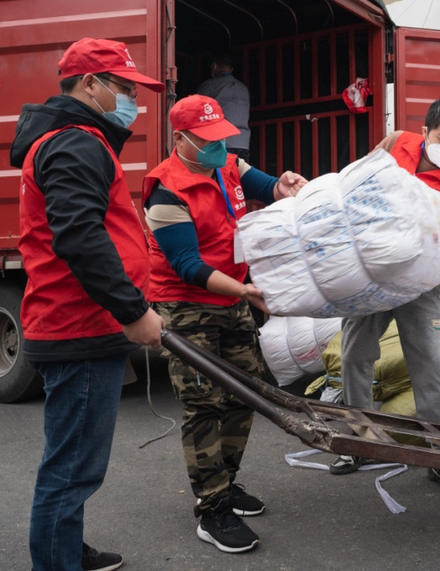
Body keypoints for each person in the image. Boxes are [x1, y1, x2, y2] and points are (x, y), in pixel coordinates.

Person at [10, 37, 166, 571]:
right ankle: (55, 563)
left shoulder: (76, 140)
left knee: (73, 460)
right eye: (123, 88)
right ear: (89, 84)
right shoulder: (75, 142)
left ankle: (65, 550)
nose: (132, 101)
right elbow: (79, 237)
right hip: (78, 326)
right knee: (72, 467)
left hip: (80, 321)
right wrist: (132, 310)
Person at [143, 94, 307, 554]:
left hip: (231, 299)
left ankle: (226, 482)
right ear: (181, 139)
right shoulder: (165, 191)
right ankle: (211, 509)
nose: (219, 147)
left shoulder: (227, 166)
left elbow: (270, 186)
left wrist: (286, 184)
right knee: (204, 404)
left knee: (247, 391)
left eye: (222, 138)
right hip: (187, 305)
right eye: (208, 140)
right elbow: (185, 264)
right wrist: (246, 292)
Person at [329, 97, 440, 475]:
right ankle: (361, 440)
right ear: (424, 131)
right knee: (355, 353)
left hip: (421, 284)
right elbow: (359, 181)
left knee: (429, 361)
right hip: (374, 274)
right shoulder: (396, 142)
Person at [197, 51, 251, 161]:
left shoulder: (210, 85)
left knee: (220, 177)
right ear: (231, 69)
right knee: (239, 176)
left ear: (214, 66)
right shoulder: (244, 88)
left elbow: (195, 109)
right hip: (243, 143)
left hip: (221, 143)